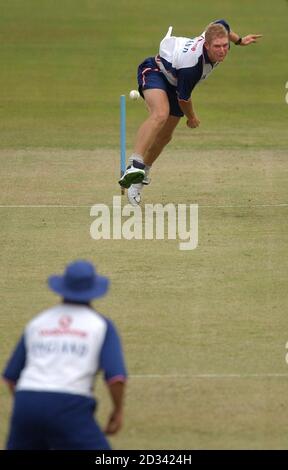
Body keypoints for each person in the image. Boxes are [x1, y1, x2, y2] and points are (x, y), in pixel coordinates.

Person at [119, 20, 262, 205]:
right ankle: (135, 164)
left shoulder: (217, 35)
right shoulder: (192, 66)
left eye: (225, 45)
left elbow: (221, 24)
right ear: (207, 45)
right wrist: (192, 118)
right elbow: (184, 99)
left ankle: (140, 176)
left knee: (165, 136)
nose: (222, 50)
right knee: (160, 114)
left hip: (176, 82)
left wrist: (239, 40)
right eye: (217, 47)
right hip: (156, 71)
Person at [2, 260, 127, 450]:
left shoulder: (38, 322)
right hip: (70, 405)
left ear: (62, 287)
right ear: (93, 290)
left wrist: (33, 408)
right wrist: (117, 411)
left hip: (26, 402)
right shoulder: (101, 325)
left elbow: (11, 377)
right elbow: (116, 378)